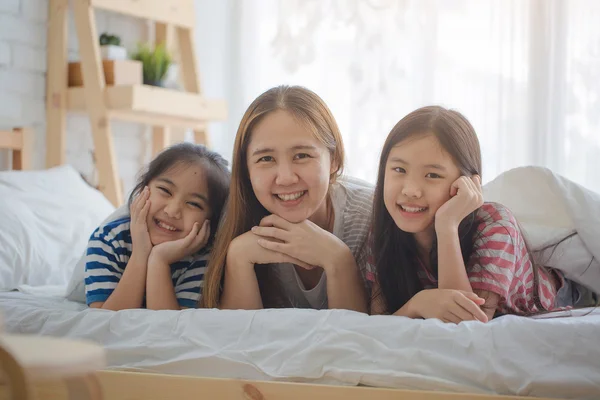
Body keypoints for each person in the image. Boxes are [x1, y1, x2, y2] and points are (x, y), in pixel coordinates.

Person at [367, 106, 596, 322]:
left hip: (563, 298)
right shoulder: (384, 228)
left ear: (466, 183)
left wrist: (447, 226)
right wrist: (417, 305)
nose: (410, 190)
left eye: (433, 175)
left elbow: (467, 323)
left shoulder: (494, 225)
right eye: (399, 170)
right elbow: (380, 319)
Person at [200, 85, 372, 312]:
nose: (285, 178)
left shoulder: (369, 214)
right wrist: (238, 258)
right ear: (246, 169)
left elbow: (359, 340)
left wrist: (338, 260)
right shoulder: (238, 213)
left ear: (334, 160)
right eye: (266, 159)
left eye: (302, 156)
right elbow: (241, 340)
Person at [84, 143, 230, 310]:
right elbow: (105, 322)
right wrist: (140, 253)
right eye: (165, 190)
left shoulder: (205, 257)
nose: (173, 210)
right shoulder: (108, 239)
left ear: (211, 220)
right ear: (142, 188)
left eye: (194, 204)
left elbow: (170, 329)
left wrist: (159, 260)